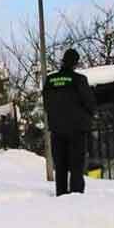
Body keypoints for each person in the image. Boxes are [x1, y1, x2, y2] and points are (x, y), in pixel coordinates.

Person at [42, 48, 97, 195]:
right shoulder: (79, 79)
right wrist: (88, 116)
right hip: (77, 129)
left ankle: (61, 193)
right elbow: (90, 103)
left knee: (60, 165)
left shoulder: (50, 80)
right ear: (75, 63)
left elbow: (46, 104)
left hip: (57, 129)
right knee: (76, 165)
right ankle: (76, 195)